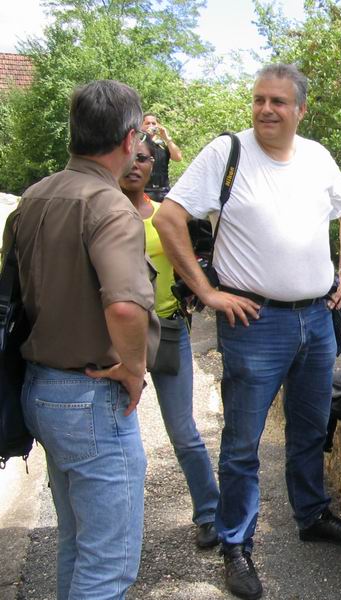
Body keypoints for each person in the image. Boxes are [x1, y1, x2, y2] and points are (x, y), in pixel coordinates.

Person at [153, 63, 341, 600]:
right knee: (242, 444)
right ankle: (236, 544)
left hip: (316, 318)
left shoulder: (316, 157)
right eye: (259, 99)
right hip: (255, 323)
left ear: (301, 110)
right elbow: (167, 219)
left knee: (310, 429)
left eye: (278, 101)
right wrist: (206, 292)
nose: (266, 109)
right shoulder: (226, 153)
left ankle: (312, 514)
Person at [6, 80, 160, 599]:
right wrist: (133, 369)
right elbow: (125, 305)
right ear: (130, 138)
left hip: (41, 387)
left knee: (78, 544)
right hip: (89, 396)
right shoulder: (109, 205)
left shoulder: (34, 197)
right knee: (108, 566)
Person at [118, 134, 220, 549]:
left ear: (152, 165)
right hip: (114, 337)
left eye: (144, 158)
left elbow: (195, 260)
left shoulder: (165, 216)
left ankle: (210, 514)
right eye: (129, 157)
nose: (135, 165)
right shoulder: (100, 213)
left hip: (167, 330)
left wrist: (195, 290)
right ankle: (118, 524)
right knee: (117, 437)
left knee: (183, 432)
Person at [141, 113, 182, 201]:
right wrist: (146, 137)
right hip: (143, 191)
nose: (151, 126)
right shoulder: (138, 143)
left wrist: (167, 138)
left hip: (163, 191)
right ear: (141, 126)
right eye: (147, 123)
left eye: (153, 123)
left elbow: (178, 157)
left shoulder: (163, 144)